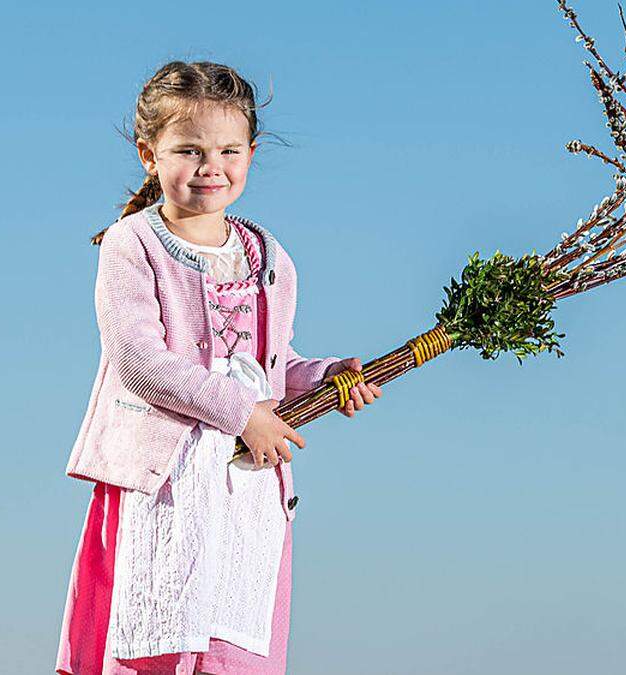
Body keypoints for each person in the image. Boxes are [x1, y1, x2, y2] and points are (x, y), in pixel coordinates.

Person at [56, 61, 382, 674]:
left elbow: (266, 366)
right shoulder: (134, 245)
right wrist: (242, 413)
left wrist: (326, 377)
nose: (212, 166)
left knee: (237, 651)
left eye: (229, 150)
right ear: (149, 153)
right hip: (161, 485)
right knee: (150, 643)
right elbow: (139, 362)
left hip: (245, 489)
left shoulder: (268, 255)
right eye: (189, 149)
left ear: (252, 154)